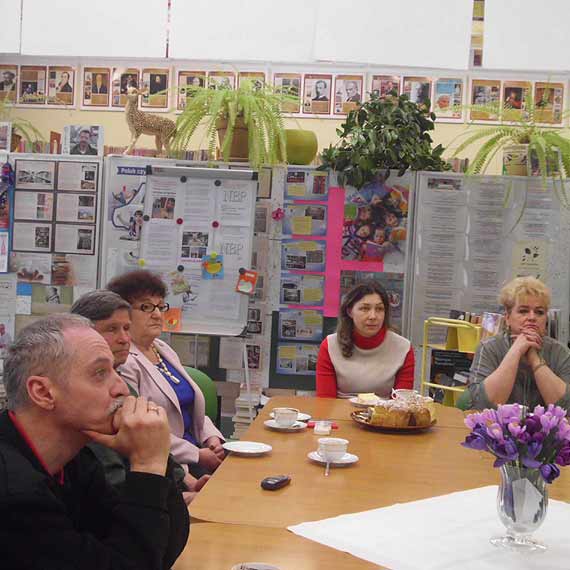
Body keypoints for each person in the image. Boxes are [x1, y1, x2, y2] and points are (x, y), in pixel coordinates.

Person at [0, 314, 189, 569]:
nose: (121, 388)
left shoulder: (75, 459)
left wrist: (156, 462)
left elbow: (159, 552)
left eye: (116, 370)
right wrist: (147, 466)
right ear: (43, 392)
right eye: (100, 373)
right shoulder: (15, 495)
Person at [71, 290, 209, 502]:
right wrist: (183, 498)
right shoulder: (85, 399)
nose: (124, 339)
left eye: (126, 328)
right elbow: (113, 483)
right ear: (83, 334)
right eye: (112, 329)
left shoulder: (124, 384)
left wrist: (188, 482)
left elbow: (157, 447)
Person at [107, 270, 226, 477]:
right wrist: (197, 454)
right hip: (173, 466)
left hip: (201, 452)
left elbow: (190, 408)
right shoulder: (124, 361)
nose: (157, 314)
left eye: (160, 306)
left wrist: (212, 438)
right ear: (123, 313)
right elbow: (141, 430)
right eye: (146, 307)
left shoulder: (162, 348)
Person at [468, 277, 570, 410]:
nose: (532, 317)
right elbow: (482, 405)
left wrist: (534, 358)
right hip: (499, 429)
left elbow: (566, 408)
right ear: (508, 317)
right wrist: (516, 351)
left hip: (546, 429)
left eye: (539, 312)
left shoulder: (560, 352)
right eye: (523, 311)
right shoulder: (488, 348)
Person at [316, 280, 414, 398]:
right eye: (365, 309)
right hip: (337, 414)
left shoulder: (403, 348)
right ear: (350, 311)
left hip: (385, 415)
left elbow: (401, 406)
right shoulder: (330, 346)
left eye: (379, 309)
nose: (373, 316)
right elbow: (325, 402)